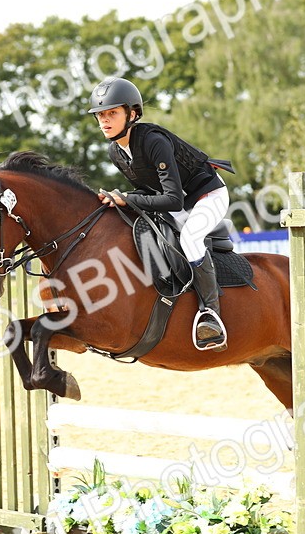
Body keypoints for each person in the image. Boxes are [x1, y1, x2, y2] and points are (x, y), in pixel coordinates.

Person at [88, 76, 232, 351]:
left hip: (206, 195)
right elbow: (149, 194)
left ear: (132, 113)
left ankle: (210, 314)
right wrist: (123, 199)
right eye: (100, 115)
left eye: (112, 113)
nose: (104, 121)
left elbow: (173, 199)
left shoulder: (154, 141)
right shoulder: (115, 152)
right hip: (176, 201)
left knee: (190, 238)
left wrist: (126, 198)